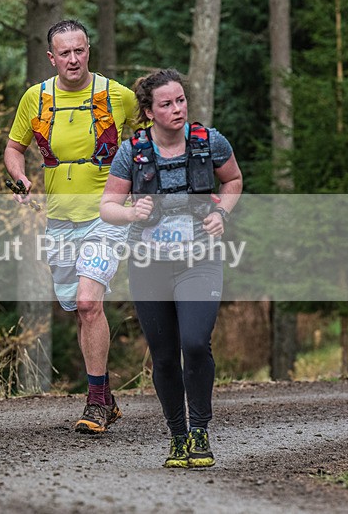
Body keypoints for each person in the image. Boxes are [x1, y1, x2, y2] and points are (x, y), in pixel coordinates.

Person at [100, 68, 243, 467]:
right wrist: (131, 213)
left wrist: (222, 215)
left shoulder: (209, 141)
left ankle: (200, 431)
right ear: (148, 111)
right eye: (166, 104)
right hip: (149, 264)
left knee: (195, 343)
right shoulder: (132, 152)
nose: (177, 109)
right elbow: (107, 207)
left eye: (180, 100)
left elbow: (233, 181)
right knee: (163, 356)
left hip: (199, 259)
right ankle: (177, 436)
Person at [4, 20, 139, 434]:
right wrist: (22, 179)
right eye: (65, 53)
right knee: (78, 308)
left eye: (79, 50)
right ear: (52, 57)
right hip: (60, 219)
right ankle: (107, 395)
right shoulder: (36, 98)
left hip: (107, 214)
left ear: (88, 50)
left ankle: (95, 402)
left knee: (87, 303)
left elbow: (151, 140)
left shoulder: (118, 96)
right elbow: (14, 149)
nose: (73, 59)